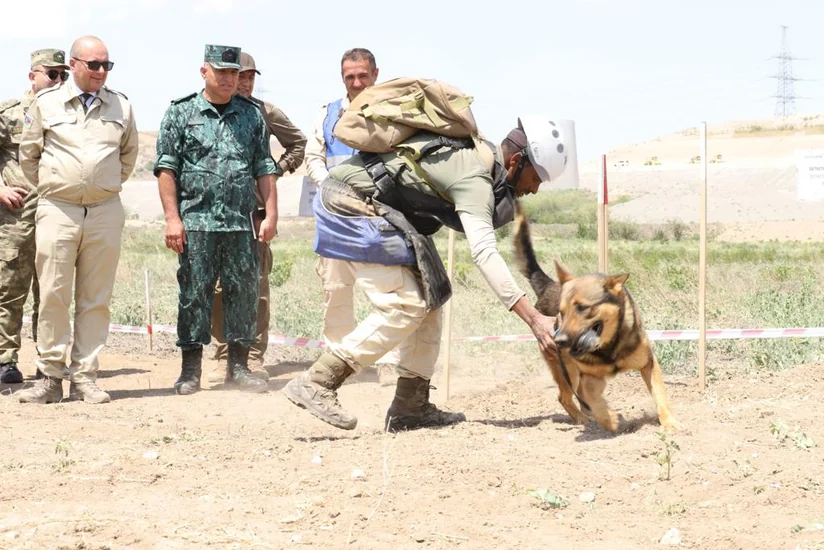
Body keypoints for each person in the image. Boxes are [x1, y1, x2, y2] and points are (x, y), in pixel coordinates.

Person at [283, 116, 568, 431]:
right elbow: (485, 253)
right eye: (536, 178)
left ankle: (411, 406)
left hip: (381, 209)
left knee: (431, 299)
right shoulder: (474, 176)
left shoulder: (479, 162)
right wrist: (535, 320)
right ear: (516, 161)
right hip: (349, 201)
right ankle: (318, 382)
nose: (535, 189)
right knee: (404, 305)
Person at [16, 36, 138, 404]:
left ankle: (85, 376)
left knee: (95, 297)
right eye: (94, 65)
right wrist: (61, 186)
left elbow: (128, 155)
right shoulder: (45, 103)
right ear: (74, 65)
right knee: (53, 294)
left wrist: (101, 185)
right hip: (58, 209)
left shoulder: (122, 106)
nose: (101, 72)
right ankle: (50, 377)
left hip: (104, 211)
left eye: (107, 65)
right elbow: (29, 155)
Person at [155, 45, 279, 396]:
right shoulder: (180, 113)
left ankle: (238, 368)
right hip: (196, 222)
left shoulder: (252, 115)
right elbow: (167, 168)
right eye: (221, 72)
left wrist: (270, 213)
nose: (228, 79)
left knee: (244, 294)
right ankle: (190, 370)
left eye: (234, 73)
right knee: (194, 295)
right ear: (204, 71)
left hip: (240, 224)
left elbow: (263, 167)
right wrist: (172, 219)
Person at [207, 51, 307, 383]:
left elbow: (298, 143)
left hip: (255, 213)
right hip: (217, 213)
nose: (246, 83)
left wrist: (276, 172)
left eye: (251, 77)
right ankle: (223, 355)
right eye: (241, 76)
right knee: (220, 287)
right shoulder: (208, 113)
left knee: (257, 287)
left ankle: (252, 355)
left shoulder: (265, 113)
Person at [303, 47, 399, 381]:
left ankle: (390, 363)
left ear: (375, 74)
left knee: (388, 293)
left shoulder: (393, 111)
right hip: (336, 218)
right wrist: (328, 185)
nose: (356, 82)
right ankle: (340, 364)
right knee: (336, 292)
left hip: (380, 217)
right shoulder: (327, 114)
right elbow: (313, 157)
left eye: (362, 75)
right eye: (349, 76)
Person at [0, 48, 70, 384]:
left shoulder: (67, 113)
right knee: (9, 288)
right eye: (52, 74)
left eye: (64, 75)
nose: (59, 81)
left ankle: (49, 361)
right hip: (16, 216)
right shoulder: (10, 113)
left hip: (56, 211)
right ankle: (5, 360)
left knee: (52, 290)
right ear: (33, 75)